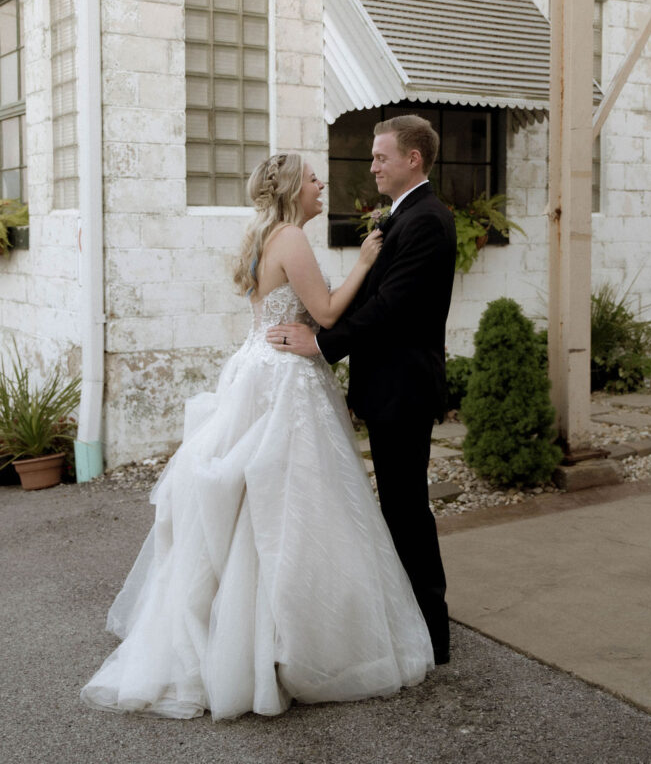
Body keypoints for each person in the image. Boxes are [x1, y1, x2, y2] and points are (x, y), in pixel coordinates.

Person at [81, 152, 434, 722]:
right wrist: (365, 264)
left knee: (261, 506)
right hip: (283, 378)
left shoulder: (267, 234)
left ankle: (255, 637)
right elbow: (321, 311)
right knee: (289, 504)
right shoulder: (292, 238)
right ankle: (277, 641)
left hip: (257, 366)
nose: (324, 185)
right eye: (315, 178)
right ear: (295, 189)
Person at [266, 116, 456, 665]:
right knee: (395, 507)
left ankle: (431, 633)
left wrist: (323, 345)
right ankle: (410, 620)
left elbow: (391, 307)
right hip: (385, 387)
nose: (371, 165)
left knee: (406, 509)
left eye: (380, 157)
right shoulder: (401, 216)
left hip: (405, 389)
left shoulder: (427, 221)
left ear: (413, 159)